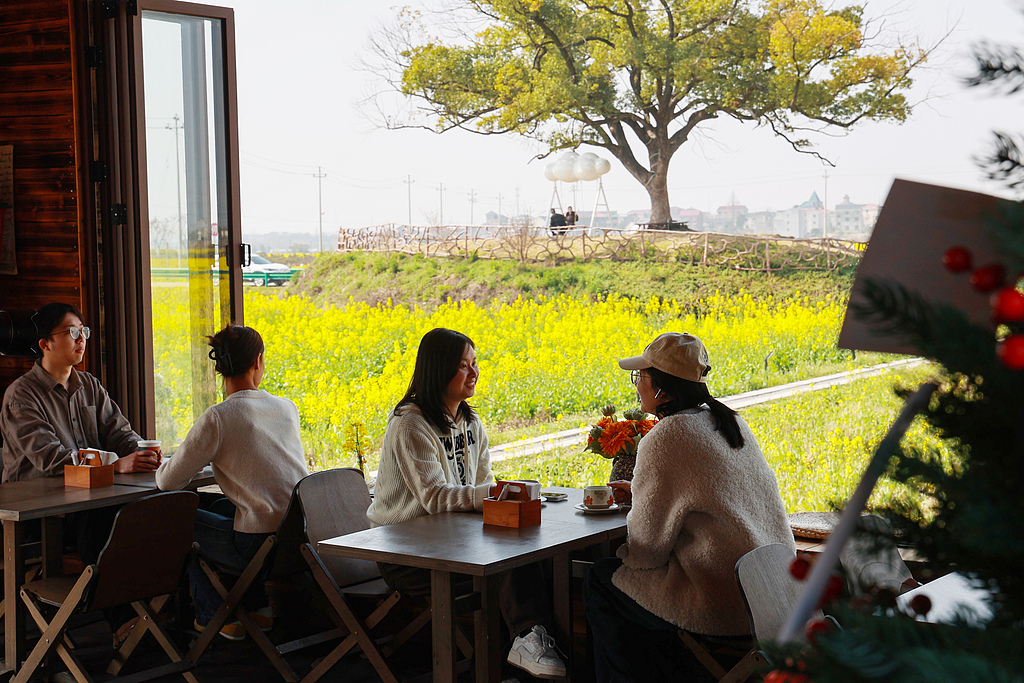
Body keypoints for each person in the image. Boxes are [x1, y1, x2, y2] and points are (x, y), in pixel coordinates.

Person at [583, 333, 794, 683]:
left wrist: (642, 516)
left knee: (602, 580)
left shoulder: (666, 437)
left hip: (725, 605)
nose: (637, 386)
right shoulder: (728, 422)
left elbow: (646, 552)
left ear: (661, 388)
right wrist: (644, 498)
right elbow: (712, 499)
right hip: (772, 595)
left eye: (641, 377)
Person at [367, 327, 566, 679]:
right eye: (463, 366)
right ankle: (521, 645)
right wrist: (493, 495)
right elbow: (434, 497)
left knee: (532, 552)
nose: (474, 373)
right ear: (438, 370)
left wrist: (500, 498)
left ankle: (518, 650)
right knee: (504, 564)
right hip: (404, 551)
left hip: (452, 542)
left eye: (474, 363)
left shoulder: (471, 422)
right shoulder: (410, 424)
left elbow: (480, 488)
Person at [157, 325, 308, 640]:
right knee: (226, 507)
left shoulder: (218, 417)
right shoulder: (286, 408)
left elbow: (167, 482)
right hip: (297, 535)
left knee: (177, 519)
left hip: (258, 545)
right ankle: (258, 609)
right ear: (258, 361)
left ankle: (215, 615)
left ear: (219, 367)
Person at [1, 302, 160, 484]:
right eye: (72, 332)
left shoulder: (89, 384)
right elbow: (51, 458)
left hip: (90, 495)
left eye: (83, 331)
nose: (81, 339)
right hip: (41, 504)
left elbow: (119, 434)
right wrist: (114, 466)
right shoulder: (21, 395)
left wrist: (142, 454)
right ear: (45, 344)